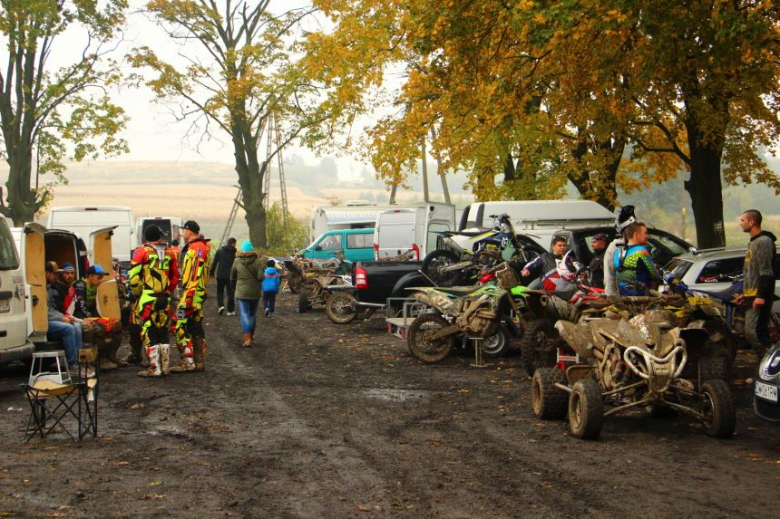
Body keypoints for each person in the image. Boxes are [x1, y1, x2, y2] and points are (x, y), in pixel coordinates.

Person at [129, 225, 180, 377]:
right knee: (162, 329)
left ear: (145, 237)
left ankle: (154, 368)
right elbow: (175, 277)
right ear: (159, 237)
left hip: (148, 297)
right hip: (164, 296)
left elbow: (134, 277)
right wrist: (167, 290)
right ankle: (165, 367)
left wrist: (138, 293)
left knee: (148, 329)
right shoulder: (170, 252)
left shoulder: (140, 252)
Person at [172, 220, 211, 372]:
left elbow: (196, 272)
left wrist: (189, 295)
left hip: (192, 294)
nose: (182, 234)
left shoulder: (196, 248)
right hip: (197, 294)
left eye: (183, 231)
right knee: (195, 326)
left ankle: (187, 363)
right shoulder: (201, 247)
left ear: (188, 231)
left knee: (179, 323)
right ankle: (198, 362)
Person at [73, 264, 126, 370]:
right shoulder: (80, 285)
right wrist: (95, 320)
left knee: (116, 325)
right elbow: (80, 306)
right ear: (90, 276)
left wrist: (100, 319)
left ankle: (111, 356)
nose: (101, 280)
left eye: (102, 277)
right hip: (77, 316)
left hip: (87, 315)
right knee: (100, 329)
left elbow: (92, 307)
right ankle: (100, 359)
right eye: (99, 277)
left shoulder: (93, 286)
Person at [738, 209, 777, 354]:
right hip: (751, 296)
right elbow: (751, 272)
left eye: (742, 220)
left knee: (753, 333)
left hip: (760, 297)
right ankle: (763, 367)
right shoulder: (753, 242)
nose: (740, 224)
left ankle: (769, 366)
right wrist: (745, 294)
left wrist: (760, 296)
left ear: (752, 222)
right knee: (751, 333)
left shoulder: (764, 241)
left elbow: (766, 271)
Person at [44, 262, 81, 368]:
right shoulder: (40, 289)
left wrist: (66, 317)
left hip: (52, 318)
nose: (57, 276)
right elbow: (44, 312)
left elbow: (52, 309)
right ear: (47, 273)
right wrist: (61, 318)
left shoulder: (49, 288)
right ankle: (71, 363)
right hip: (44, 322)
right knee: (68, 329)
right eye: (54, 274)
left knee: (77, 326)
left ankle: (80, 362)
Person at [613, 222, 662, 296]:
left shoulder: (617, 252)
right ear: (636, 235)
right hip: (639, 297)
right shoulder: (641, 251)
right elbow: (654, 275)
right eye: (645, 233)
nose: (647, 236)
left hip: (622, 295)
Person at [230, 240, 263, 347]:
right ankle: (251, 336)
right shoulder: (258, 261)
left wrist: (233, 287)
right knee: (252, 314)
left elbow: (232, 276)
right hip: (254, 292)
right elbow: (260, 277)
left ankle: (247, 338)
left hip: (241, 292)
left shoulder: (236, 261)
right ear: (252, 250)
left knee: (244, 314)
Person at [605, 206, 635, 297]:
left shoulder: (640, 247)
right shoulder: (614, 248)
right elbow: (609, 276)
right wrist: (613, 297)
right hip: (622, 296)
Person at [210, 237, 237, 316]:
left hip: (220, 275)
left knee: (220, 291)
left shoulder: (219, 251)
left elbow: (214, 262)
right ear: (232, 243)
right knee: (230, 292)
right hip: (230, 276)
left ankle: (221, 305)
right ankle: (230, 310)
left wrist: (211, 273)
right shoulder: (234, 253)